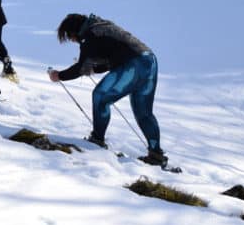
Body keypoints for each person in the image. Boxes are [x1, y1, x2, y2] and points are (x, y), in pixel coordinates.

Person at [47, 13, 166, 166]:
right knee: (144, 112)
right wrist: (91, 68)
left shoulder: (90, 35)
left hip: (133, 64)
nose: (72, 40)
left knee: (100, 96)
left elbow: (80, 68)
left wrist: (59, 75)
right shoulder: (102, 27)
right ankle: (156, 155)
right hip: (149, 60)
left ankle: (97, 139)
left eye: (70, 36)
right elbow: (109, 61)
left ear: (75, 30)